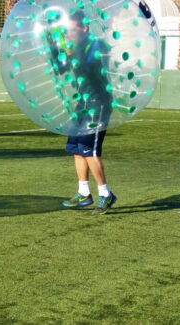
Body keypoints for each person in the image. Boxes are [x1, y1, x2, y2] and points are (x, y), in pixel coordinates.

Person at [51, 11, 116, 214]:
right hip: (82, 103)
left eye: (72, 29)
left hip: (98, 104)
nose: (69, 34)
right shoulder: (75, 47)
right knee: (77, 148)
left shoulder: (97, 45)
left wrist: (71, 52)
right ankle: (84, 193)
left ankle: (105, 194)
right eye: (67, 30)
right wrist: (55, 49)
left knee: (90, 150)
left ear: (84, 28)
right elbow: (60, 70)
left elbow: (90, 66)